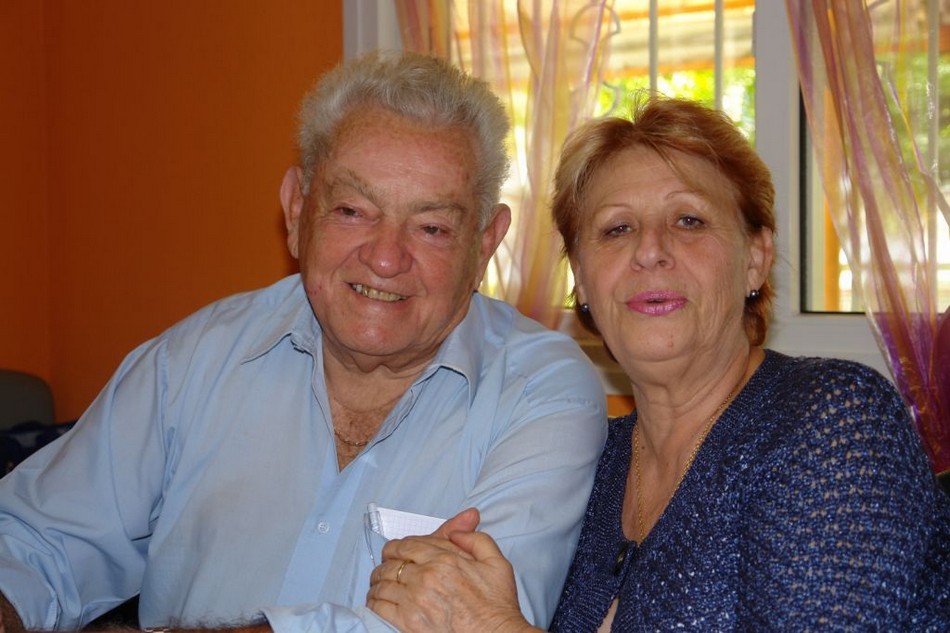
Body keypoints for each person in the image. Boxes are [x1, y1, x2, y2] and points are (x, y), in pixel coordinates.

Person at [0, 51, 608, 632]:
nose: (385, 258)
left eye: (431, 227)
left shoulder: (539, 392)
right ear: (296, 210)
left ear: (484, 244)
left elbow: (470, 624)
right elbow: (35, 538)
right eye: (352, 211)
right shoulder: (193, 362)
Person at [366, 95, 950, 631]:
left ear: (755, 258)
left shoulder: (836, 421)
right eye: (616, 229)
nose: (649, 250)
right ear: (582, 280)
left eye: (688, 220)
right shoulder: (589, 464)